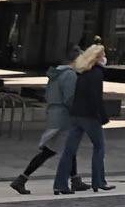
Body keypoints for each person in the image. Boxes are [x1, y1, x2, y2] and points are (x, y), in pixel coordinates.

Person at [12, 42, 88, 195]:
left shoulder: (56, 74)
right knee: (57, 150)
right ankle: (22, 178)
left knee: (63, 149)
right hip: (64, 117)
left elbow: (48, 95)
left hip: (53, 113)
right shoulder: (70, 75)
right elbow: (70, 98)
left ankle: (75, 179)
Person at [53, 43, 113, 194]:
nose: (105, 57)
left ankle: (60, 184)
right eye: (103, 55)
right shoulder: (97, 73)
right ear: (98, 58)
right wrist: (103, 117)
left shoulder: (82, 71)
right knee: (99, 147)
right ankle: (98, 181)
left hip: (76, 115)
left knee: (69, 151)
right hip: (90, 116)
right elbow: (96, 98)